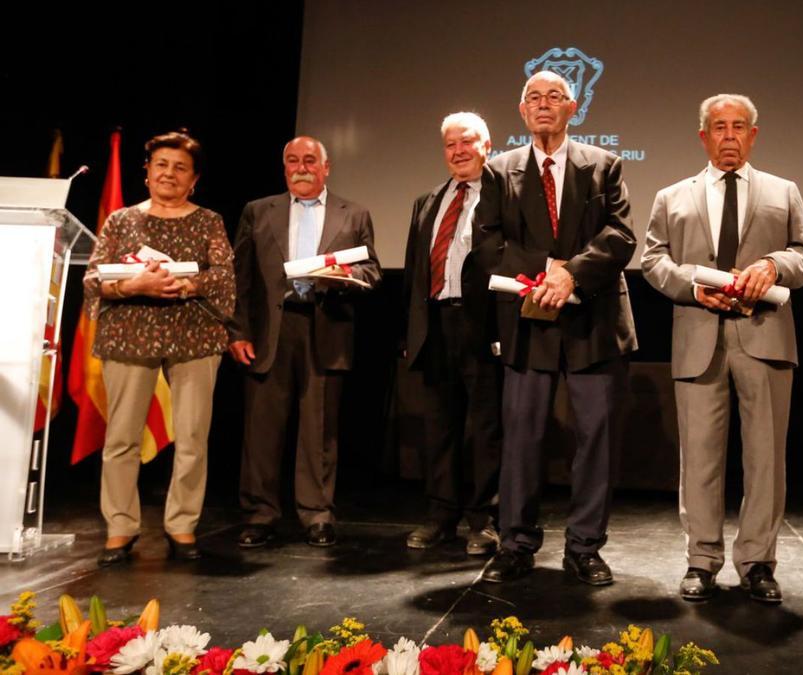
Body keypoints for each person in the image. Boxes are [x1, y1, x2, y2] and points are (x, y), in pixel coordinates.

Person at [641, 94, 803, 603]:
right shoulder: (672, 196)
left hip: (764, 338)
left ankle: (759, 561)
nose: (730, 136)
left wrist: (773, 266)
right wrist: (693, 288)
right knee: (698, 458)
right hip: (699, 338)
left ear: (754, 134)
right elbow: (653, 260)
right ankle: (702, 560)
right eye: (719, 127)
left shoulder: (784, 192)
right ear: (704, 136)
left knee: (766, 457)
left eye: (739, 126)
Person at [472, 70, 637, 585]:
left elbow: (620, 234)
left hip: (593, 318)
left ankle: (585, 547)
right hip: (528, 319)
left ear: (572, 109)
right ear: (522, 112)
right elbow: (487, 243)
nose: (543, 105)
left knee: (596, 439)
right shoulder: (499, 171)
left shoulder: (604, 164)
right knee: (521, 437)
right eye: (533, 98)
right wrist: (548, 271)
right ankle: (516, 543)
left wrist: (572, 276)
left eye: (554, 97)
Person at [82, 131, 235, 566]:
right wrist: (134, 284)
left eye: (180, 168)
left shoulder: (208, 221)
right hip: (130, 335)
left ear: (194, 180)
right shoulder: (120, 221)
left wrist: (182, 283)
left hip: (194, 335)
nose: (169, 173)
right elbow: (92, 279)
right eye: (161, 165)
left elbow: (223, 276)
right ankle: (120, 528)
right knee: (122, 439)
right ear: (146, 172)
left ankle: (182, 525)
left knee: (191, 437)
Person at [228, 136, 381, 548]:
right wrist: (238, 332)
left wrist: (348, 279)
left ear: (326, 167)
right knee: (262, 430)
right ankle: (260, 514)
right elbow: (239, 278)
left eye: (310, 160)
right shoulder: (258, 211)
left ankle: (317, 514)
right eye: (293, 161)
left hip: (325, 326)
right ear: (284, 169)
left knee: (319, 429)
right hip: (269, 333)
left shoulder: (355, 213)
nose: (301, 167)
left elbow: (371, 271)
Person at [399, 112, 502, 556]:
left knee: (484, 427)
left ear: (487, 145)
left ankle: (483, 520)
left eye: (467, 142)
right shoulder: (427, 201)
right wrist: (410, 331)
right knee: (438, 425)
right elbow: (413, 272)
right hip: (436, 322)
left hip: (483, 324)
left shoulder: (504, 196)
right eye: (450, 144)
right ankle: (441, 516)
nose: (458, 151)